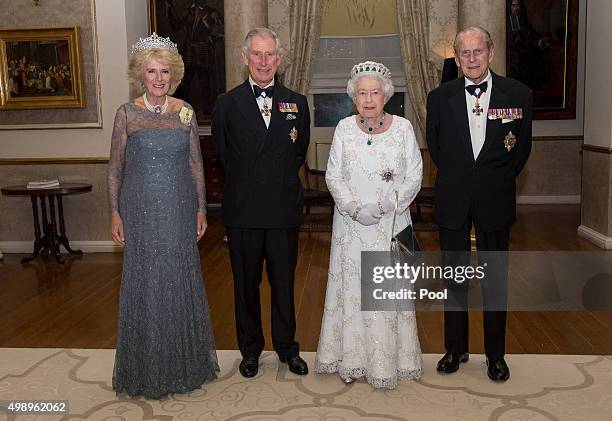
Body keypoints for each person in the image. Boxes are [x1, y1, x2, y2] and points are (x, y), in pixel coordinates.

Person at [108, 33, 219, 399]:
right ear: (141, 74)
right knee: (147, 282)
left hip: (178, 210)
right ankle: (146, 368)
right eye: (152, 71)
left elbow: (196, 165)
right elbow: (115, 169)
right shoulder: (126, 114)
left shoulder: (184, 111)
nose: (159, 78)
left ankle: (184, 364)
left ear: (174, 75)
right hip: (139, 212)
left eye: (165, 72)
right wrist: (115, 212)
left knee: (177, 279)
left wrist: (201, 208)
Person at [426, 26, 532, 382]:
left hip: (495, 199)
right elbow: (437, 149)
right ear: (457, 57)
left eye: (478, 51)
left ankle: (496, 356)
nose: (472, 59)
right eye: (465, 53)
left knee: (494, 281)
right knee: (454, 279)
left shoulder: (518, 94)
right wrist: (464, 178)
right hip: (453, 198)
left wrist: (492, 179)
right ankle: (455, 349)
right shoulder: (439, 98)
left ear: (490, 51)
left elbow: (520, 151)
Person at [315, 61, 423, 388]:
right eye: (362, 93)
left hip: (393, 224)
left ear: (386, 94)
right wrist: (353, 208)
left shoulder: (403, 128)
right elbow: (333, 175)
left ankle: (390, 363)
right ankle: (353, 359)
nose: (369, 99)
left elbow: (415, 174)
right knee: (352, 292)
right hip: (351, 226)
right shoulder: (344, 129)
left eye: (375, 92)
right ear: (354, 96)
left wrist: (387, 204)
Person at [211, 27, 310, 378]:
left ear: (280, 58)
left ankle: (287, 349)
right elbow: (225, 154)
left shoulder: (297, 102)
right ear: (245, 58)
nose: (264, 61)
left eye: (270, 54)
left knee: (284, 285)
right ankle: (250, 351)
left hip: (283, 209)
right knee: (245, 286)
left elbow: (298, 153)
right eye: (257, 54)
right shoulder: (227, 103)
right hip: (244, 209)